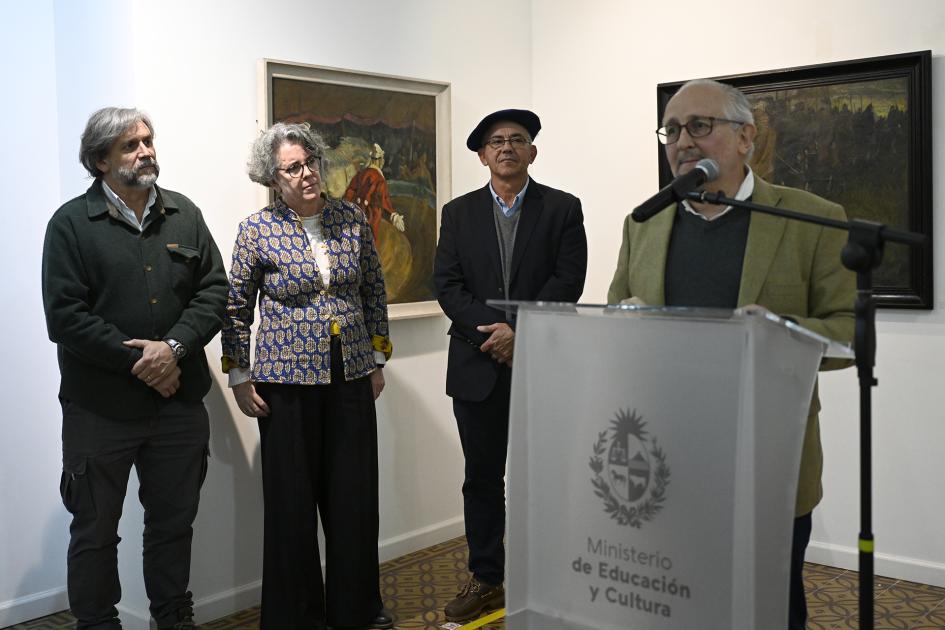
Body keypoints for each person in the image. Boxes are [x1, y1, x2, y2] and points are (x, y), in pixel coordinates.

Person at [607, 79, 855, 630]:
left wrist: (776, 331)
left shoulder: (810, 218)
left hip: (765, 454)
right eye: (672, 129)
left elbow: (849, 334)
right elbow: (614, 316)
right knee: (676, 601)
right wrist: (624, 323)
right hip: (662, 458)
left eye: (700, 125)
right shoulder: (643, 224)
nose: (682, 141)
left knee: (768, 606)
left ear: (746, 138)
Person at [42, 107, 228, 630]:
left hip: (178, 405)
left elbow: (214, 290)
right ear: (100, 160)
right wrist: (144, 363)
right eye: (129, 145)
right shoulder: (70, 224)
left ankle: (171, 619)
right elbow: (66, 316)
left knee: (173, 526)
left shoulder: (184, 213)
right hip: (99, 410)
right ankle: (97, 623)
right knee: (96, 531)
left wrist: (174, 347)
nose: (145, 151)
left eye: (147, 140)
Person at [221, 122, 394, 630]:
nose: (306, 173)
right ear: (274, 179)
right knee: (292, 508)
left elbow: (373, 291)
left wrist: (378, 359)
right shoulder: (257, 229)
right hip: (285, 384)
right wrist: (238, 374)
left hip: (351, 375)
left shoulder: (351, 217)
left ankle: (358, 610)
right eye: (293, 168)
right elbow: (236, 308)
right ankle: (296, 618)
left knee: (354, 501)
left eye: (310, 162)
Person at [434, 109, 588, 622]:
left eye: (517, 140)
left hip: (542, 363)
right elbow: (448, 287)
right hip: (477, 368)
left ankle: (547, 573)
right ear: (482, 156)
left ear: (533, 152)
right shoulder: (457, 214)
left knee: (544, 476)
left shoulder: (563, 209)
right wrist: (495, 335)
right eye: (497, 142)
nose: (506, 148)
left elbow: (568, 282)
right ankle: (487, 577)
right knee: (481, 478)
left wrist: (521, 334)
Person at [343, 142, 406, 239]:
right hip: (371, 218)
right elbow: (384, 200)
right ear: (380, 160)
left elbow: (349, 192)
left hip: (355, 215)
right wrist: (394, 215)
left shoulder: (360, 174)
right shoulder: (380, 179)